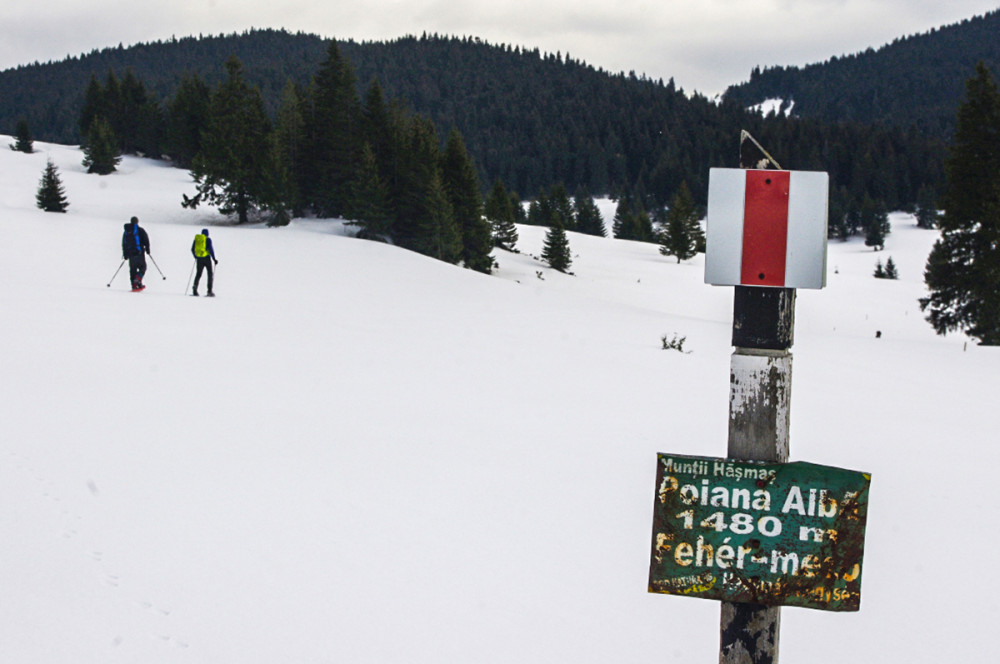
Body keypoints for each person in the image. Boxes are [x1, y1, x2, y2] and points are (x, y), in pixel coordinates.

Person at [121, 216, 150, 292]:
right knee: (143, 267)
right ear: (137, 222)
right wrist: (148, 249)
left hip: (131, 254)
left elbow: (124, 244)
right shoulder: (140, 230)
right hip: (139, 253)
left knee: (132, 270)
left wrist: (125, 254)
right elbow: (146, 240)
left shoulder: (126, 232)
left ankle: (134, 285)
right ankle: (137, 280)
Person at [191, 228, 218, 296]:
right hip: (207, 259)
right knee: (210, 274)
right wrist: (214, 259)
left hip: (199, 259)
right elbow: (211, 249)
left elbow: (192, 249)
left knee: (198, 274)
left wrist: (196, 256)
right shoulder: (208, 240)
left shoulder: (197, 239)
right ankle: (209, 291)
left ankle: (195, 287)